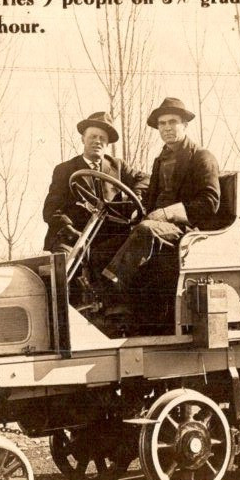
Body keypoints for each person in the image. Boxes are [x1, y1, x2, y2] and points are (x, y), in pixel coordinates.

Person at [102, 98, 220, 317]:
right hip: (160, 229)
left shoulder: (202, 157)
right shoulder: (160, 160)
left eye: (172, 122)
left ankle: (112, 289)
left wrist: (166, 214)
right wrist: (139, 208)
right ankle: (112, 306)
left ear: (185, 124)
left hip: (189, 232)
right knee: (110, 237)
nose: (166, 128)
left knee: (145, 230)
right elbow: (151, 198)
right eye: (162, 124)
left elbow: (209, 203)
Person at [42, 111, 148, 277]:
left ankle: (112, 299)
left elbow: (145, 178)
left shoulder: (117, 166)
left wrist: (136, 194)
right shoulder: (64, 170)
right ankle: (63, 300)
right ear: (83, 139)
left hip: (106, 237)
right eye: (93, 136)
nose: (97, 141)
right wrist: (70, 230)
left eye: (102, 138)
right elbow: (51, 210)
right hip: (72, 235)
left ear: (107, 144)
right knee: (64, 264)